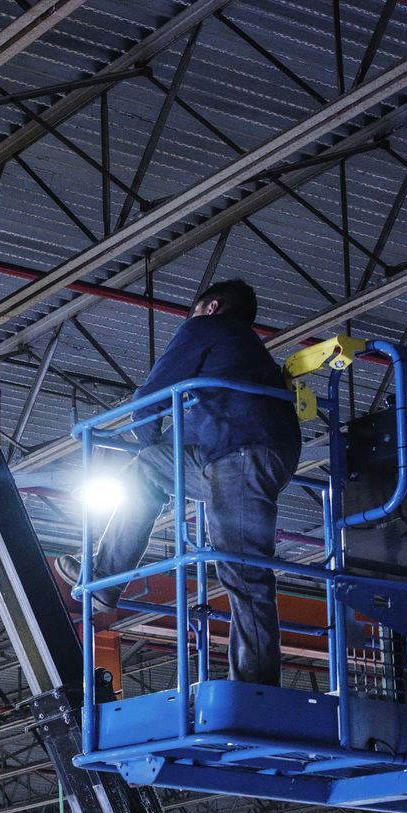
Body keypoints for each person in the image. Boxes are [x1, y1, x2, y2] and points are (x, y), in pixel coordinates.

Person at [88, 279, 301, 687]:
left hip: (240, 456)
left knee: (244, 573)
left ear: (211, 306)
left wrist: (146, 438)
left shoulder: (208, 328)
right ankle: (104, 580)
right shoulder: (247, 358)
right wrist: (154, 454)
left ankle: (256, 688)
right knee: (148, 468)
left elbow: (149, 398)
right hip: (245, 455)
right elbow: (186, 434)